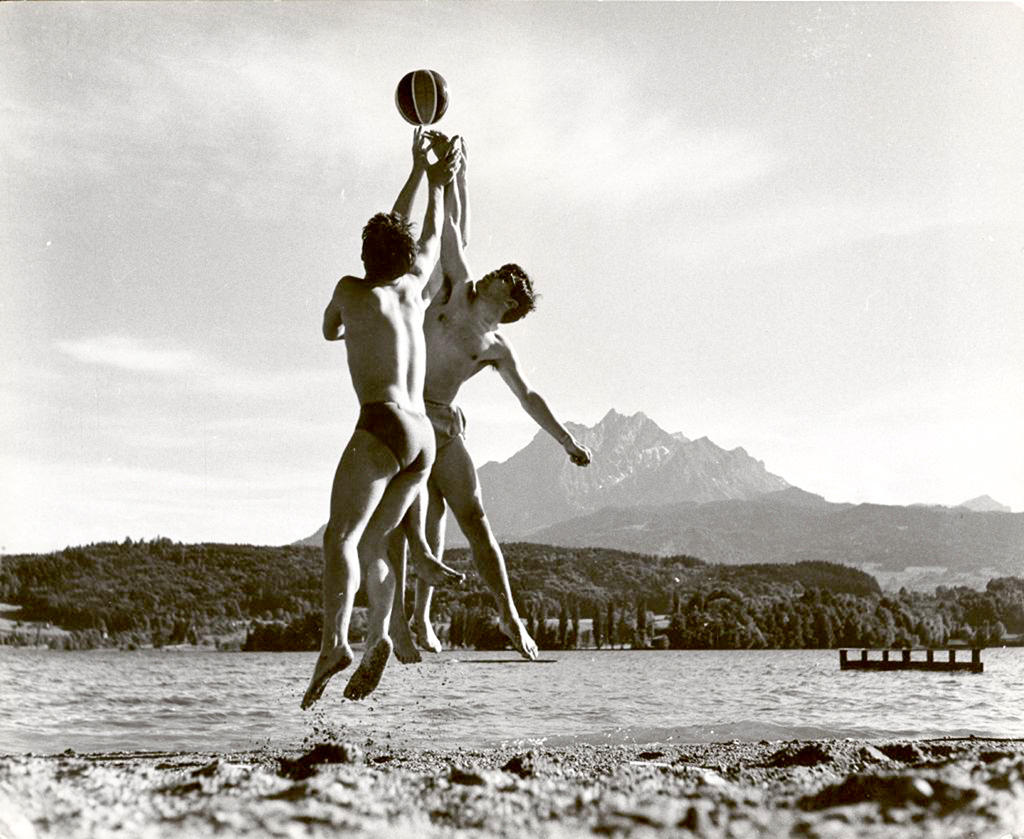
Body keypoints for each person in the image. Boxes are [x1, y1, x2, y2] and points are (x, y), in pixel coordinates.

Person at [387, 135, 592, 661]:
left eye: (503, 277)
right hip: (406, 414)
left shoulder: (495, 347)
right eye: (498, 271)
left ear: (511, 302)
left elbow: (529, 397)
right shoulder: (454, 287)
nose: (494, 273)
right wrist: (451, 173)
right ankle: (415, 620)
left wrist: (566, 441)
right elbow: (450, 228)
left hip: (442, 424)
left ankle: (512, 617)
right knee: (414, 510)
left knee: (473, 517)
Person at [301, 130, 463, 709]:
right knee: (375, 541)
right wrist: (432, 179)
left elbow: (327, 329)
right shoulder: (415, 285)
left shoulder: (350, 288)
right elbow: (430, 231)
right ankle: (380, 636)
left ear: (364, 257)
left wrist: (345, 321)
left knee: (339, 538)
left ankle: (334, 643)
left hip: (380, 425)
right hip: (423, 438)